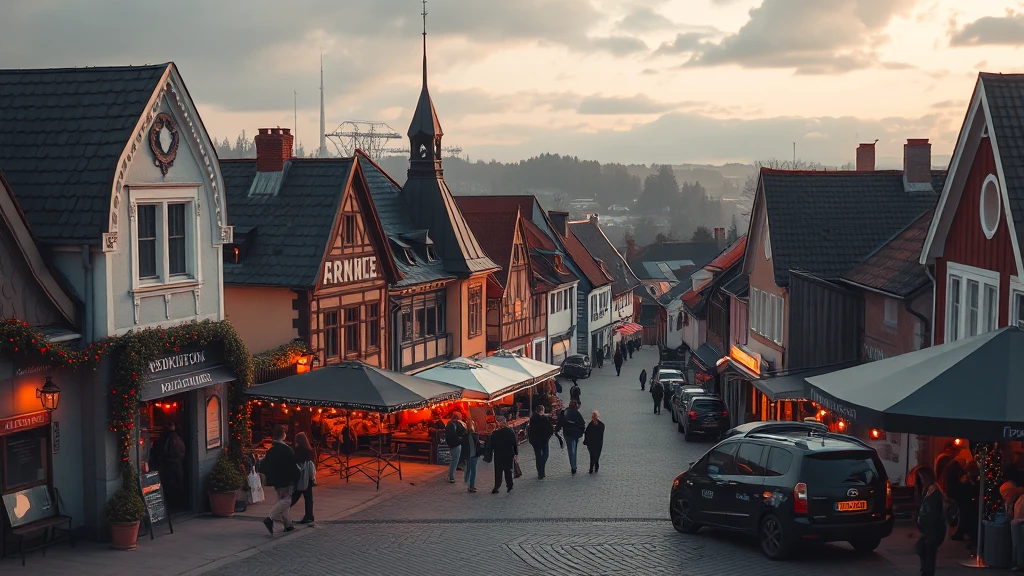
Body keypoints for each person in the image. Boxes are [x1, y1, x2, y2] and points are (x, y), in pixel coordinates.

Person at [262, 425, 300, 534]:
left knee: (282, 500)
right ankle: (270, 517)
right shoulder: (286, 449)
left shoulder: (272, 450)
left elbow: (266, 465)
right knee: (286, 501)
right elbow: (292, 466)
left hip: (276, 481)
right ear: (283, 435)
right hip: (286, 480)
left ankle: (288, 525)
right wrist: (296, 477)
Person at [915, 467, 946, 576]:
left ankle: (927, 571)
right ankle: (926, 570)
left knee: (927, 549)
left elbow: (931, 513)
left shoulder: (933, 492)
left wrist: (923, 526)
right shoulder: (929, 491)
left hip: (933, 528)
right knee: (922, 548)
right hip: (930, 528)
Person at [158, 422, 186, 510]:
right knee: (177, 484)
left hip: (171, 464)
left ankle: (174, 505)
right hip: (177, 464)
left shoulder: (170, 437)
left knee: (172, 485)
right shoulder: (177, 436)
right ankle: (178, 504)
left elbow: (164, 451)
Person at [290, 432, 316, 524]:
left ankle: (282, 510)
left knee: (295, 495)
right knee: (308, 497)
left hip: (301, 476)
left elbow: (295, 463)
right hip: (308, 477)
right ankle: (309, 515)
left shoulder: (298, 450)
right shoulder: (309, 450)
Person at [556, 401, 587, 475]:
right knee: (574, 449)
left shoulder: (564, 413)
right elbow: (582, 424)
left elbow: (559, 423)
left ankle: (573, 466)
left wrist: (556, 430)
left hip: (568, 433)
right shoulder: (577, 413)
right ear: (576, 406)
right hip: (576, 434)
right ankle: (574, 465)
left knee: (570, 450)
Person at [489, 416, 518, 494]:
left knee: (498, 471)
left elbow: (491, 445)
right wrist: (515, 454)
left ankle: (496, 487)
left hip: (498, 455)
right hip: (508, 453)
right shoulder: (510, 431)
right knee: (508, 470)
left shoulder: (494, 433)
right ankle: (509, 485)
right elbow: (514, 443)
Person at [528, 405, 554, 479]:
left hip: (535, 441)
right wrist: (548, 437)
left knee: (538, 456)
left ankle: (540, 472)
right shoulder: (544, 419)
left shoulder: (532, 419)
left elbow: (530, 430)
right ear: (542, 410)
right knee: (545, 454)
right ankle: (541, 468)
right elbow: (550, 430)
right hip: (543, 440)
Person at [444, 412, 467, 484]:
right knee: (455, 461)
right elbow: (460, 432)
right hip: (455, 444)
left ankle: (450, 475)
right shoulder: (453, 425)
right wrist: (460, 440)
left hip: (454, 444)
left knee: (454, 460)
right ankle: (451, 476)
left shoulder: (452, 424)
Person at [462, 420, 483, 493]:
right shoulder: (475, 435)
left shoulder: (464, 436)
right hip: (474, 455)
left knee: (468, 470)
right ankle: (471, 486)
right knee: (473, 471)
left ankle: (468, 484)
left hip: (468, 455)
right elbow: (477, 445)